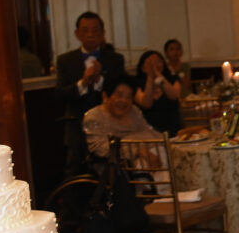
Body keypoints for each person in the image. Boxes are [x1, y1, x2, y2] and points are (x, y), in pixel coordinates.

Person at [55, 12, 126, 174]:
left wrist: (100, 80)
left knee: (113, 169)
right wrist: (83, 83)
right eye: (85, 30)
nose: (90, 34)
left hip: (110, 124)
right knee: (73, 170)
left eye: (95, 30)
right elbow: (60, 94)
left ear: (102, 33)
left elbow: (121, 92)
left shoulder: (115, 59)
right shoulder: (65, 60)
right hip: (76, 124)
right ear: (77, 34)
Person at [82, 74, 159, 161]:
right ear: (105, 96)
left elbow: (148, 132)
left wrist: (170, 140)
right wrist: (137, 151)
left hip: (146, 161)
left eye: (128, 97)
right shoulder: (94, 117)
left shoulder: (134, 111)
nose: (124, 101)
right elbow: (101, 150)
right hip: (114, 168)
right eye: (119, 95)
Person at [134, 50, 182, 136]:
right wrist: (150, 77)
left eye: (158, 61)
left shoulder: (172, 79)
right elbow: (146, 104)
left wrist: (157, 74)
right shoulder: (137, 84)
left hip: (174, 128)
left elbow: (174, 96)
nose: (154, 65)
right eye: (150, 62)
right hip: (149, 131)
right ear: (142, 67)